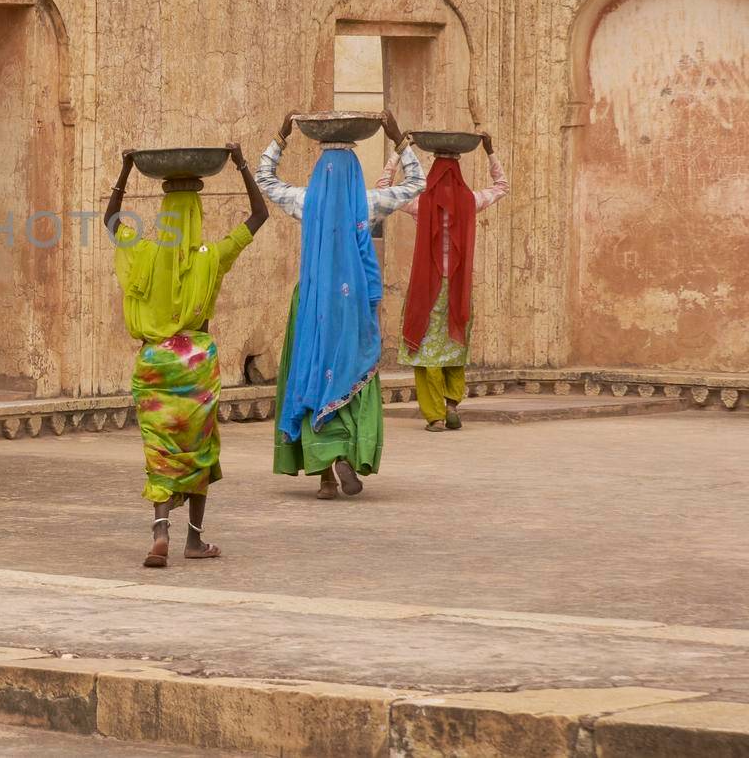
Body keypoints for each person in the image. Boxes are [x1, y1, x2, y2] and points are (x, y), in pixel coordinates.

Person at [106, 144, 269, 567]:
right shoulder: (211, 257)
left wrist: (124, 171)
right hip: (196, 363)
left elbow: (111, 221)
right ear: (197, 215)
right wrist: (240, 163)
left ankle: (160, 531)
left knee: (160, 448)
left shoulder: (141, 253)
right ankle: (194, 541)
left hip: (154, 364)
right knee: (199, 449)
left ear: (163, 216)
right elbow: (259, 216)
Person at [255, 111, 424, 500]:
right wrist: (399, 141)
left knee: (314, 369)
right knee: (348, 372)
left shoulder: (304, 200)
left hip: (313, 302)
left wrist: (281, 136)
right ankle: (345, 452)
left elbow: (265, 179)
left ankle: (324, 473)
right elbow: (417, 183)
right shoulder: (367, 202)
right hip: (352, 307)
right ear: (354, 173)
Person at [377, 132, 509, 431]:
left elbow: (383, 187)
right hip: (457, 289)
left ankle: (435, 415)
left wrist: (401, 151)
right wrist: (490, 151)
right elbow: (502, 186)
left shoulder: (421, 202)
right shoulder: (470, 200)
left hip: (427, 289)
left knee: (427, 351)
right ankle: (452, 404)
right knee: (454, 343)